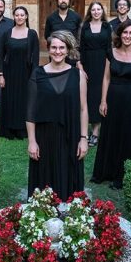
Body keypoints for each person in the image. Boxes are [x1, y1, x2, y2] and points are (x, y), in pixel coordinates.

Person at [27, 30, 88, 200]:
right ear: (48, 49)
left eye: (62, 47)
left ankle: (71, 217)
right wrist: (32, 141)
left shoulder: (78, 75)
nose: (57, 51)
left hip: (71, 135)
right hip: (44, 136)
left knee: (70, 177)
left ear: (68, 50)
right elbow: (30, 111)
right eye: (53, 47)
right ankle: (42, 215)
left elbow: (83, 108)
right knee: (44, 178)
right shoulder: (37, 74)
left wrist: (83, 138)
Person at [91, 19, 131, 189]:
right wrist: (102, 100)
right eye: (125, 32)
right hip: (113, 98)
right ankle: (105, 172)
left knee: (128, 135)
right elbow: (106, 77)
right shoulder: (111, 52)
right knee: (111, 134)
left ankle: (124, 174)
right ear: (120, 34)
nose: (128, 36)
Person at [0, 6, 40, 139]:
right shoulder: (7, 33)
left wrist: (34, 76)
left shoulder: (32, 34)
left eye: (22, 15)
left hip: (26, 73)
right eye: (17, 15)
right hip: (9, 73)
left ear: (26, 17)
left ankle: (22, 129)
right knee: (9, 100)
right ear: (14, 17)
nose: (19, 17)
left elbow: (36, 57)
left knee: (24, 101)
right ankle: (9, 130)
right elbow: (0, 54)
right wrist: (0, 75)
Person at [79, 1, 112, 147]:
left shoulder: (107, 27)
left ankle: (96, 133)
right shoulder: (84, 27)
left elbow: (109, 48)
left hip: (103, 63)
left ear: (102, 11)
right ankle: (84, 133)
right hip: (87, 64)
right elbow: (81, 48)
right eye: (93, 9)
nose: (96, 12)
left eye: (99, 9)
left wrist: (109, 65)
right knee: (87, 97)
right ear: (90, 12)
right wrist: (80, 66)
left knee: (99, 96)